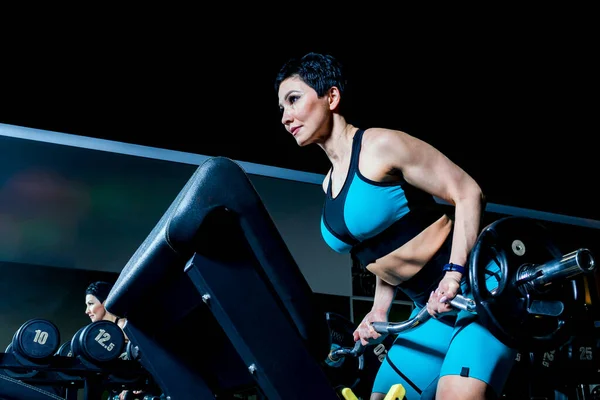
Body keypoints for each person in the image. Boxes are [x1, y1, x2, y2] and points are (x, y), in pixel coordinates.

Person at [275, 52, 517, 400]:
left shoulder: (381, 146)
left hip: (478, 289)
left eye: (293, 100)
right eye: (281, 108)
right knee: (382, 396)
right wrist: (379, 309)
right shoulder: (328, 185)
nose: (286, 117)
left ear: (331, 97)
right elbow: (379, 246)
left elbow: (468, 192)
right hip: (428, 307)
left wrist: (453, 275)